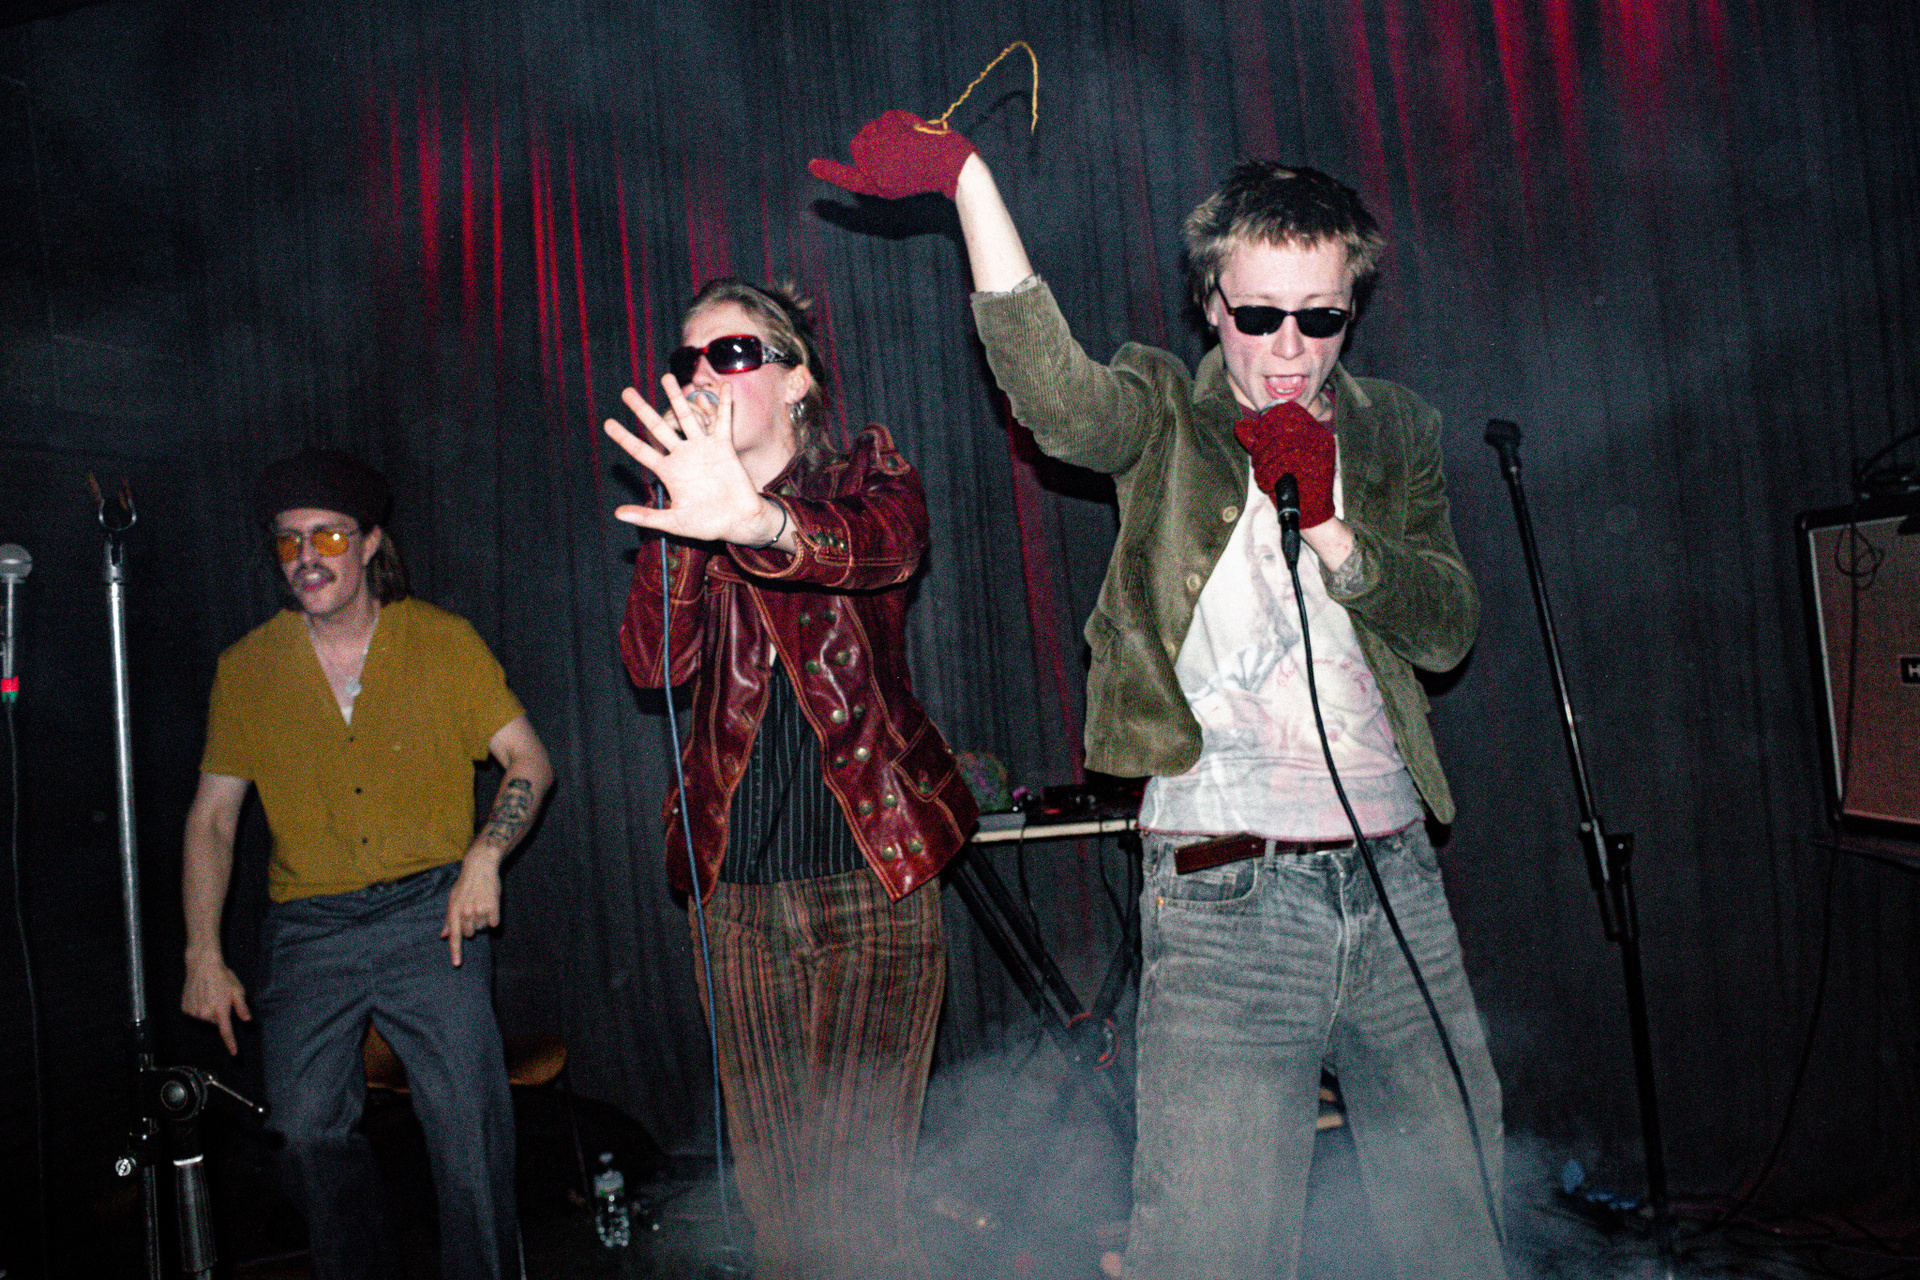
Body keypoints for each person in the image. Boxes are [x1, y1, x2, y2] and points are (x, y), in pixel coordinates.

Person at [812, 115, 1504, 1279]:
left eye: (1321, 318)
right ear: (1211, 305)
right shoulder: (1167, 413)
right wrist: (969, 183)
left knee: (1459, 1222)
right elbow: (1056, 398)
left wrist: (1335, 528)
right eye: (1260, 315)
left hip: (1394, 877)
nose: (1290, 347)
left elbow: (1447, 628)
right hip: (1228, 890)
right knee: (1213, 1248)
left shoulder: (1396, 430)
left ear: (1354, 309)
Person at [606, 278, 978, 1280]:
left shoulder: (866, 472)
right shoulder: (684, 510)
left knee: (856, 1201)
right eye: (688, 360)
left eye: (731, 353)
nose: (703, 376)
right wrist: (686, 528)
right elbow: (653, 665)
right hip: (736, 900)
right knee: (780, 1207)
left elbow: (886, 548)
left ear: (797, 378)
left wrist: (758, 521)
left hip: (869, 876)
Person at [180, 449, 553, 1280]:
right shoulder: (248, 668)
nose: (307, 558)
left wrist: (485, 855)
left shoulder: (441, 642)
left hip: (431, 914)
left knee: (468, 1126)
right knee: (304, 1131)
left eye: (328, 536)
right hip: (310, 929)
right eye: (289, 542)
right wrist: (203, 950)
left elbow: (529, 759)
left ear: (371, 542)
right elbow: (211, 821)